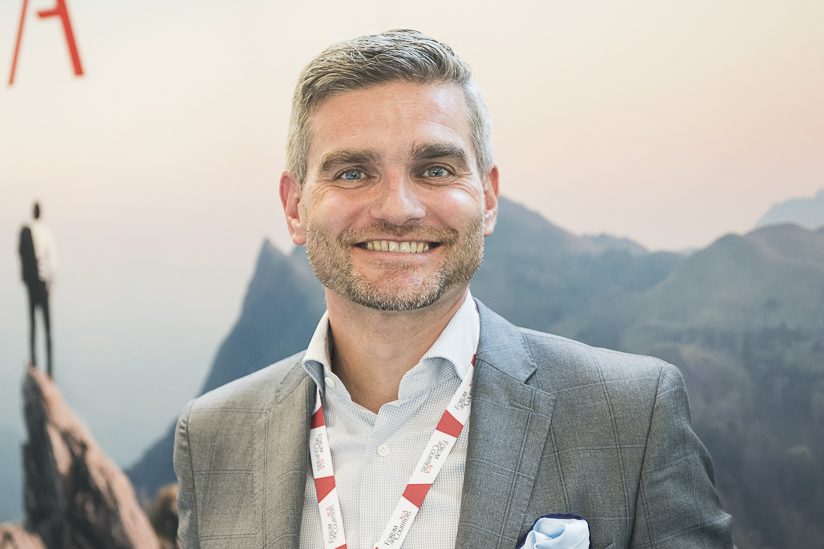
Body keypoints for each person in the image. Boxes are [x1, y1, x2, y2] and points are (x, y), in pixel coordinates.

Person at [174, 30, 735, 549]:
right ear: (296, 207)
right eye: (352, 173)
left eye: (436, 169)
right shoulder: (212, 438)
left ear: (487, 199)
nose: (398, 209)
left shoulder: (631, 417)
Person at [18, 202, 58, 378]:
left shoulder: (26, 231)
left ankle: (33, 363)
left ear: (31, 213)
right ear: (41, 213)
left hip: (31, 284)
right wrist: (51, 285)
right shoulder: (47, 233)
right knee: (47, 327)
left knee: (33, 324)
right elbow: (53, 262)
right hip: (42, 283)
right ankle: (49, 370)